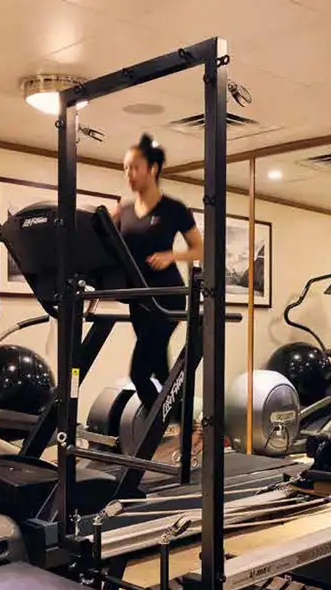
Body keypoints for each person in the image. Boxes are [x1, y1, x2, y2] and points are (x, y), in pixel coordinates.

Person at [111, 134, 204, 448]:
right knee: (163, 371)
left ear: (152, 169)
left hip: (168, 298)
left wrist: (171, 256)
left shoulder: (173, 208)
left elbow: (200, 249)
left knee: (139, 373)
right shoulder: (124, 211)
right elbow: (114, 252)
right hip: (138, 299)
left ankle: (162, 426)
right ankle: (188, 429)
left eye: (135, 167)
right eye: (125, 168)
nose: (129, 174)